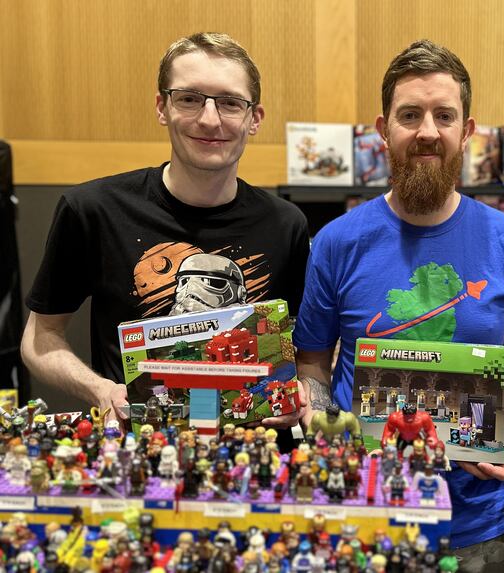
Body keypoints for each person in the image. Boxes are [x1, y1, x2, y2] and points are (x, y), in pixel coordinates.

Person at [292, 39, 504, 572]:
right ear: (382, 128)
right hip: (364, 518)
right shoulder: (337, 242)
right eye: (409, 115)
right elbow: (313, 362)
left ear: (467, 130)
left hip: (482, 526)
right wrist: (326, 441)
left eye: (444, 115)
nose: (428, 131)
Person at [21, 33, 309, 450]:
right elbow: (39, 337)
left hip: (254, 455)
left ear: (254, 117)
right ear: (162, 107)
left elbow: (302, 345)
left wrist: (297, 391)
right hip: (138, 454)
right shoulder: (93, 209)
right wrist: (100, 389)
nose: (210, 120)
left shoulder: (287, 224)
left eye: (230, 102)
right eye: (189, 98)